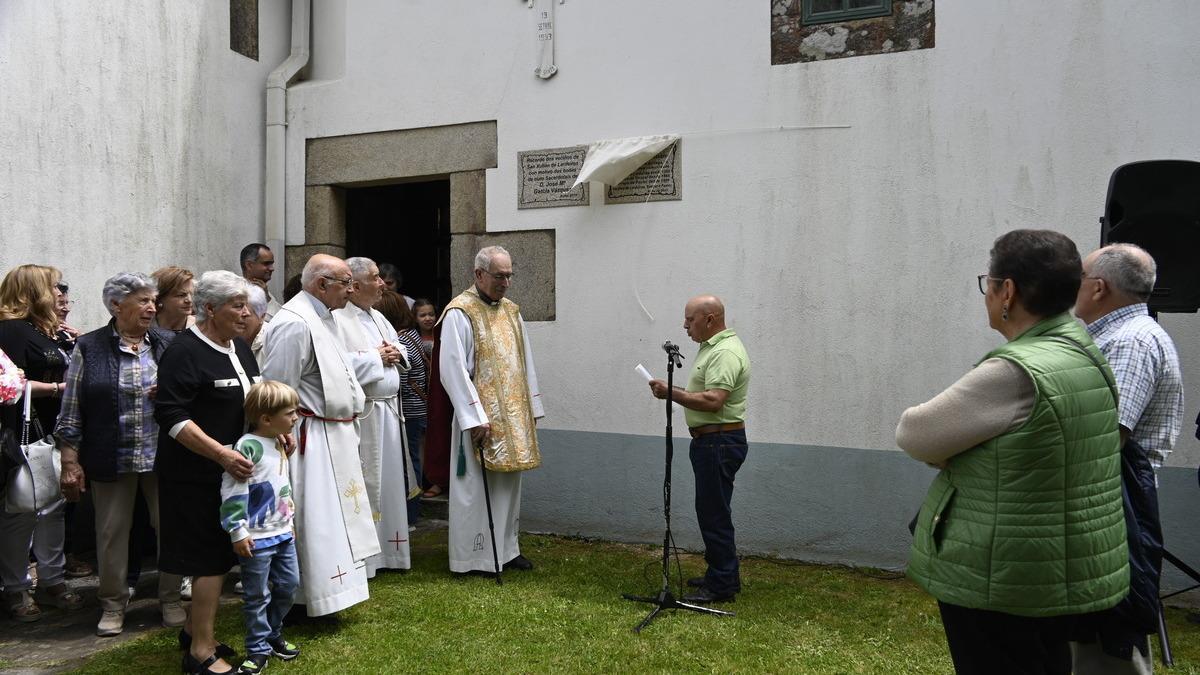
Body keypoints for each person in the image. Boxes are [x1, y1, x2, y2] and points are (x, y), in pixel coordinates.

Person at [896, 229, 1129, 674]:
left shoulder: (1015, 371)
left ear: (1008, 292)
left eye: (990, 283)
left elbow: (914, 432)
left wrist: (960, 456)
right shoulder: (1086, 354)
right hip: (1056, 564)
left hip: (1002, 570)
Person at [1070, 243, 1185, 673]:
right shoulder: (1125, 335)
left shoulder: (1130, 343)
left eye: (1079, 278)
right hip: (1110, 502)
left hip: (1114, 507)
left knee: (1108, 641)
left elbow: (1104, 439)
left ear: (1098, 288)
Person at [56, 272, 184, 636]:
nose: (151, 307)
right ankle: (112, 605)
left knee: (170, 528)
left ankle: (171, 599)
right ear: (116, 304)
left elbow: (190, 395)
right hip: (111, 456)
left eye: (152, 300)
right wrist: (70, 460)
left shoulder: (167, 342)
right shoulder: (90, 347)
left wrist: (171, 393)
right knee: (111, 533)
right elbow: (72, 407)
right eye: (143, 300)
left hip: (163, 456)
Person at [155, 270, 261, 674]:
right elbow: (171, 414)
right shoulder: (184, 351)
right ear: (210, 309)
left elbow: (253, 394)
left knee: (220, 555)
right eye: (237, 305)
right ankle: (200, 652)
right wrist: (219, 453)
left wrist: (272, 431)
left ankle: (200, 632)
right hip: (194, 474)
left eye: (246, 304)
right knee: (207, 559)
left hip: (232, 473)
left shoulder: (238, 346)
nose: (246, 312)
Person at [261, 254, 380, 615]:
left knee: (338, 517)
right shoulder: (295, 323)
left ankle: (335, 593)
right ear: (320, 284)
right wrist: (283, 433)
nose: (351, 289)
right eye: (345, 283)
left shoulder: (327, 317)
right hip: (309, 439)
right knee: (315, 520)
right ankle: (301, 599)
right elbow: (278, 386)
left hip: (335, 434)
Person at [430, 246, 543, 574]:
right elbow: (451, 369)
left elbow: (525, 361)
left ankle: (508, 549)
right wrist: (473, 417)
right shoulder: (459, 313)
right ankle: (472, 557)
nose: (506, 282)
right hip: (480, 419)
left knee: (509, 486)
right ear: (479, 275)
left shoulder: (511, 311)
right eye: (499, 276)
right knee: (474, 489)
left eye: (509, 275)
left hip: (513, 417)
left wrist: (532, 407)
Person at [647, 295, 750, 604]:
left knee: (714, 513)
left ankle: (721, 584)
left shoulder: (725, 352)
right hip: (712, 441)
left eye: (690, 319)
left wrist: (671, 393)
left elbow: (714, 400)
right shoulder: (713, 349)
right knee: (712, 511)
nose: (684, 325)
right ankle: (721, 573)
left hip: (719, 442)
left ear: (710, 319)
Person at [0, 264, 82, 622]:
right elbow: (10, 383)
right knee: (22, 509)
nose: (58, 293)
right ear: (33, 292)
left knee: (52, 506)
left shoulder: (45, 331)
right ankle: (16, 586)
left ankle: (52, 577)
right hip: (24, 430)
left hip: (53, 429)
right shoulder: (12, 330)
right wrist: (59, 389)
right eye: (51, 287)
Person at [335, 259, 416, 574]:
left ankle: (391, 553)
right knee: (365, 485)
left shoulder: (379, 316)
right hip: (365, 414)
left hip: (389, 412)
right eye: (375, 278)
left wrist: (397, 354)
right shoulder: (339, 318)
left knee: (390, 483)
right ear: (354, 286)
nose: (382, 283)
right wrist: (376, 357)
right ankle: (366, 561)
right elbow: (335, 363)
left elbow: (399, 348)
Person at [219, 380, 302, 674]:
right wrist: (238, 531)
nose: (296, 417)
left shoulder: (278, 441)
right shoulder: (248, 447)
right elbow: (233, 490)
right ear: (266, 419)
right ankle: (257, 649)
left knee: (289, 585)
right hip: (256, 538)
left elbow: (282, 487)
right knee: (256, 596)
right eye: (290, 413)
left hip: (282, 533)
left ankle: (272, 632)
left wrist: (288, 521)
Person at [377, 290, 430, 518]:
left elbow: (407, 378)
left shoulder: (403, 339)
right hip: (419, 408)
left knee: (410, 461)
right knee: (413, 459)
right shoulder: (413, 335)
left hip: (410, 409)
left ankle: (410, 512)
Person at [239, 243, 281, 321]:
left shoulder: (263, 290)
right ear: (249, 265)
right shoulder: (236, 293)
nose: (272, 268)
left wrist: (267, 298)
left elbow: (281, 318)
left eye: (271, 264)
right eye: (266, 264)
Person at [152, 266, 196, 333]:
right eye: (181, 295)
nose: (189, 300)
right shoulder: (145, 327)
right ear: (160, 298)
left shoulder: (200, 329)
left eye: (191, 294)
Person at [244, 284, 269, 366]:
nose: (237, 319)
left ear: (262, 316)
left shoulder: (274, 342)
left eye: (245, 316)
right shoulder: (228, 338)